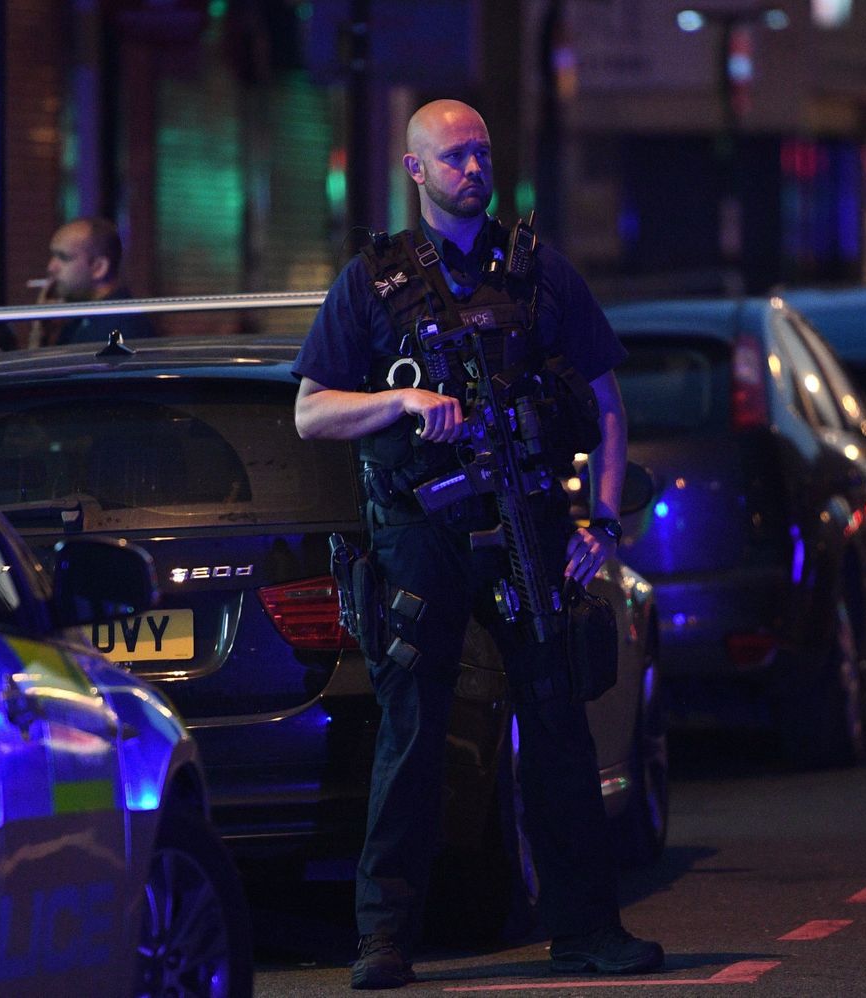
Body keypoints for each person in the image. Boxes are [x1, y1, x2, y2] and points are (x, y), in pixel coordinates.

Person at [293, 99, 664, 990]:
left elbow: (608, 406)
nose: (473, 169)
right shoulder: (373, 281)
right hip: (423, 535)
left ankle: (588, 931)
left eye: (482, 153)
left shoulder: (538, 271)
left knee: (559, 732)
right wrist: (401, 401)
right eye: (455, 156)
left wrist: (601, 524)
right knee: (412, 738)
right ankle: (384, 940)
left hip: (529, 527)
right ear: (415, 169)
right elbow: (310, 411)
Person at [31, 217, 157, 347]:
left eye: (63, 257)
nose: (51, 267)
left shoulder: (121, 328)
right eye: (53, 256)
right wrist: (42, 332)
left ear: (99, 268)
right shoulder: (81, 317)